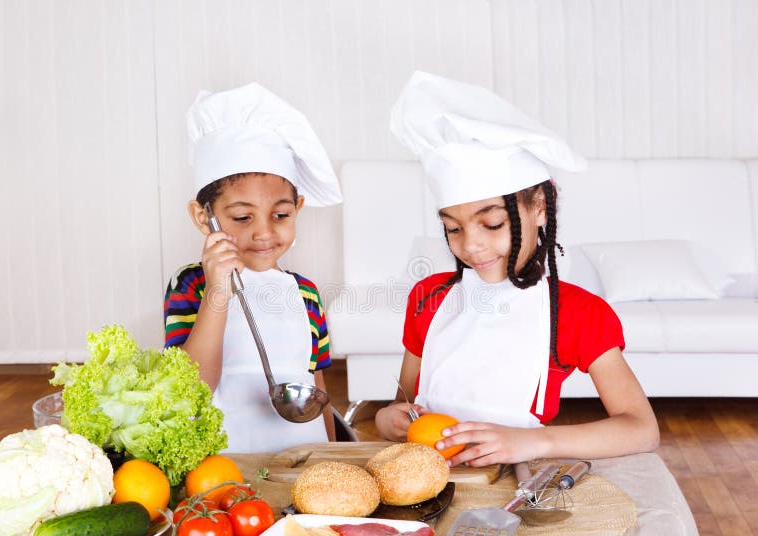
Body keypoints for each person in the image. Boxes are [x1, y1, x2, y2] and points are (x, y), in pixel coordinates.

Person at [375, 71, 659, 466]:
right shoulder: (430, 297)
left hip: (520, 484)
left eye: (492, 224)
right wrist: (387, 418)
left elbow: (641, 429)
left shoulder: (579, 313)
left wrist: (533, 442)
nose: (470, 245)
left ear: (539, 207)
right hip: (426, 475)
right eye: (452, 228)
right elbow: (403, 404)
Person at [164, 83, 341, 453]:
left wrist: (332, 452)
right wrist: (217, 292)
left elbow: (315, 385)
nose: (264, 232)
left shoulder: (305, 292)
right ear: (203, 217)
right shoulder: (191, 284)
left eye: (281, 215)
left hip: (301, 455)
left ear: (298, 208)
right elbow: (191, 389)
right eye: (242, 217)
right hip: (225, 461)